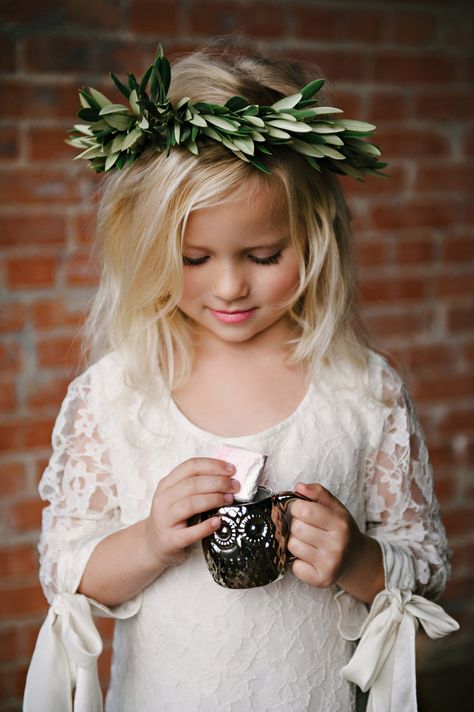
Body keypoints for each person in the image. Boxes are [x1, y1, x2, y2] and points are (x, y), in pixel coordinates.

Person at [24, 41, 458, 712]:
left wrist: (358, 562)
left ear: (313, 236)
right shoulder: (117, 395)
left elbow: (422, 572)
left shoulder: (363, 391)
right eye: (193, 257)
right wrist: (147, 541)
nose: (229, 285)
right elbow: (67, 576)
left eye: (263, 254)